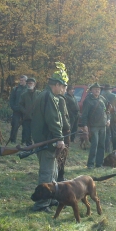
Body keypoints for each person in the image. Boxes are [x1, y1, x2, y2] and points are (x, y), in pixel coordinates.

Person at [31, 65, 67, 212]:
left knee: (52, 172)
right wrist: (59, 138)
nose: (64, 89)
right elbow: (53, 120)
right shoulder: (49, 97)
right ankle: (41, 204)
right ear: (56, 85)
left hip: (45, 140)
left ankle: (51, 199)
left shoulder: (46, 95)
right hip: (47, 140)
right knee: (47, 174)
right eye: (63, 86)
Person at [80, 83, 109, 169]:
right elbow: (84, 114)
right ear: (91, 90)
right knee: (94, 145)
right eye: (95, 89)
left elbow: (107, 110)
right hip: (94, 126)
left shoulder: (102, 99)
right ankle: (90, 164)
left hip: (103, 126)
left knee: (102, 145)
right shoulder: (88, 100)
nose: (97, 90)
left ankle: (99, 164)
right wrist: (84, 125)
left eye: (99, 89)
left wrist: (108, 119)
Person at [56, 83, 71, 182]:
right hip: (63, 131)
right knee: (62, 154)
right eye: (65, 88)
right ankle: (60, 176)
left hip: (59, 130)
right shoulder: (61, 99)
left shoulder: (57, 98)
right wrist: (68, 127)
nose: (65, 90)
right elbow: (63, 116)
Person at [19, 77, 40, 146]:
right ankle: (29, 147)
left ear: (34, 84)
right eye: (28, 83)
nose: (29, 85)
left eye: (30, 83)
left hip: (36, 118)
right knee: (27, 133)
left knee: (36, 133)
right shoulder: (23, 95)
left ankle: (37, 146)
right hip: (27, 118)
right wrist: (24, 111)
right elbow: (20, 105)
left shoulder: (39, 94)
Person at [102, 84, 116, 153]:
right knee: (114, 133)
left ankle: (106, 149)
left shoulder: (101, 95)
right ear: (110, 89)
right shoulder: (114, 96)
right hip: (113, 116)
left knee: (106, 133)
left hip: (103, 116)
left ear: (104, 89)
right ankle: (115, 149)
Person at [9, 75, 27, 143]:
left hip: (25, 111)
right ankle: (12, 140)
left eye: (22, 80)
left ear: (26, 81)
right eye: (20, 80)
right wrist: (13, 107)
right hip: (16, 110)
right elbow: (11, 99)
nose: (21, 82)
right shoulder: (15, 89)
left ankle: (24, 141)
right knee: (14, 125)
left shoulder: (28, 89)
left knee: (25, 127)